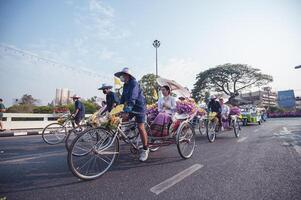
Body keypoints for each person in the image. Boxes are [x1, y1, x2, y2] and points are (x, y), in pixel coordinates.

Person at [114, 67, 149, 162]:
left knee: (141, 127)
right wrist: (118, 108)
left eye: (123, 75)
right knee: (123, 119)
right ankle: (132, 132)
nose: (121, 77)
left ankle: (145, 149)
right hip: (130, 106)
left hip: (139, 107)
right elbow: (123, 98)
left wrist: (129, 106)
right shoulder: (125, 86)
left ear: (128, 76)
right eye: (121, 75)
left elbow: (133, 96)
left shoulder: (134, 83)